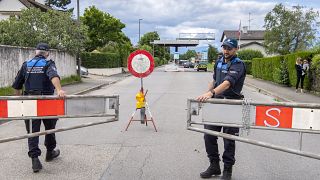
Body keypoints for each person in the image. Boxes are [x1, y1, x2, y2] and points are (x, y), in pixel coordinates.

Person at [12, 43, 66, 173]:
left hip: (30, 101)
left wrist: (19, 102)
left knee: (32, 131)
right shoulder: (48, 63)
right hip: (46, 101)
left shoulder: (26, 65)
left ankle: (35, 160)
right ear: (47, 53)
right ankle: (50, 152)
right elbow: (53, 76)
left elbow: (17, 86)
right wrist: (59, 90)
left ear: (36, 52)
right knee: (50, 128)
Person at [197, 38, 246, 180]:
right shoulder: (219, 62)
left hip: (231, 105)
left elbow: (226, 84)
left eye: (229, 48)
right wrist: (206, 93)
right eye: (224, 47)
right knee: (208, 135)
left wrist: (210, 93)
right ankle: (214, 166)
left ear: (236, 49)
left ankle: (227, 171)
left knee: (228, 139)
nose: (226, 51)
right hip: (216, 104)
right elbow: (215, 81)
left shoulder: (238, 65)